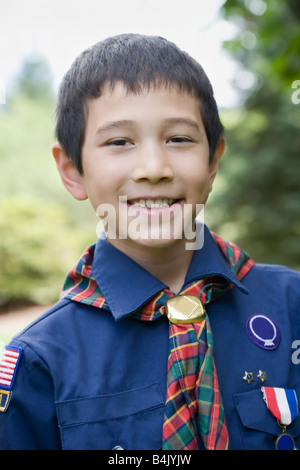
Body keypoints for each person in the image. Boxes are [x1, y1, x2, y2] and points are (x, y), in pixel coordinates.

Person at [1, 34, 300, 451]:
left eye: (178, 139)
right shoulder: (39, 359)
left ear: (213, 161)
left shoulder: (292, 304)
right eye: (119, 142)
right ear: (72, 170)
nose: (154, 168)